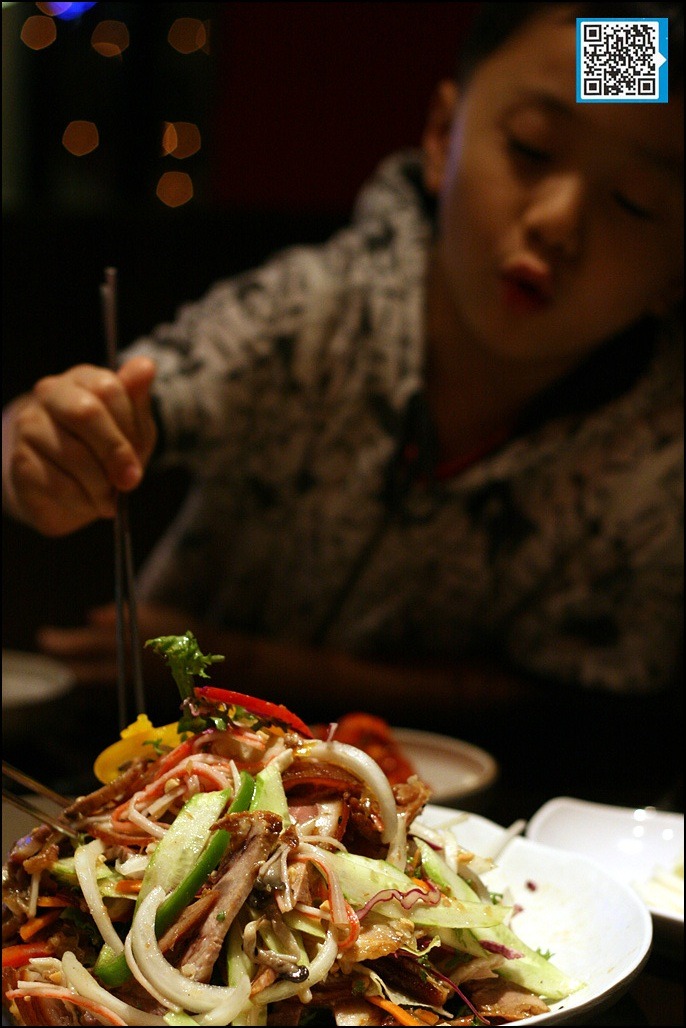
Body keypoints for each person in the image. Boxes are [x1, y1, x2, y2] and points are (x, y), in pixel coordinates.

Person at [2, 2, 683, 807]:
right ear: (441, 137)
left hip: (485, 835)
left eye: (634, 200)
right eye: (532, 149)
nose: (558, 222)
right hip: (176, 792)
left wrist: (247, 662)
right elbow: (134, 403)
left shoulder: (660, 454)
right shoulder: (312, 312)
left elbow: (583, 710)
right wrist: (43, 444)